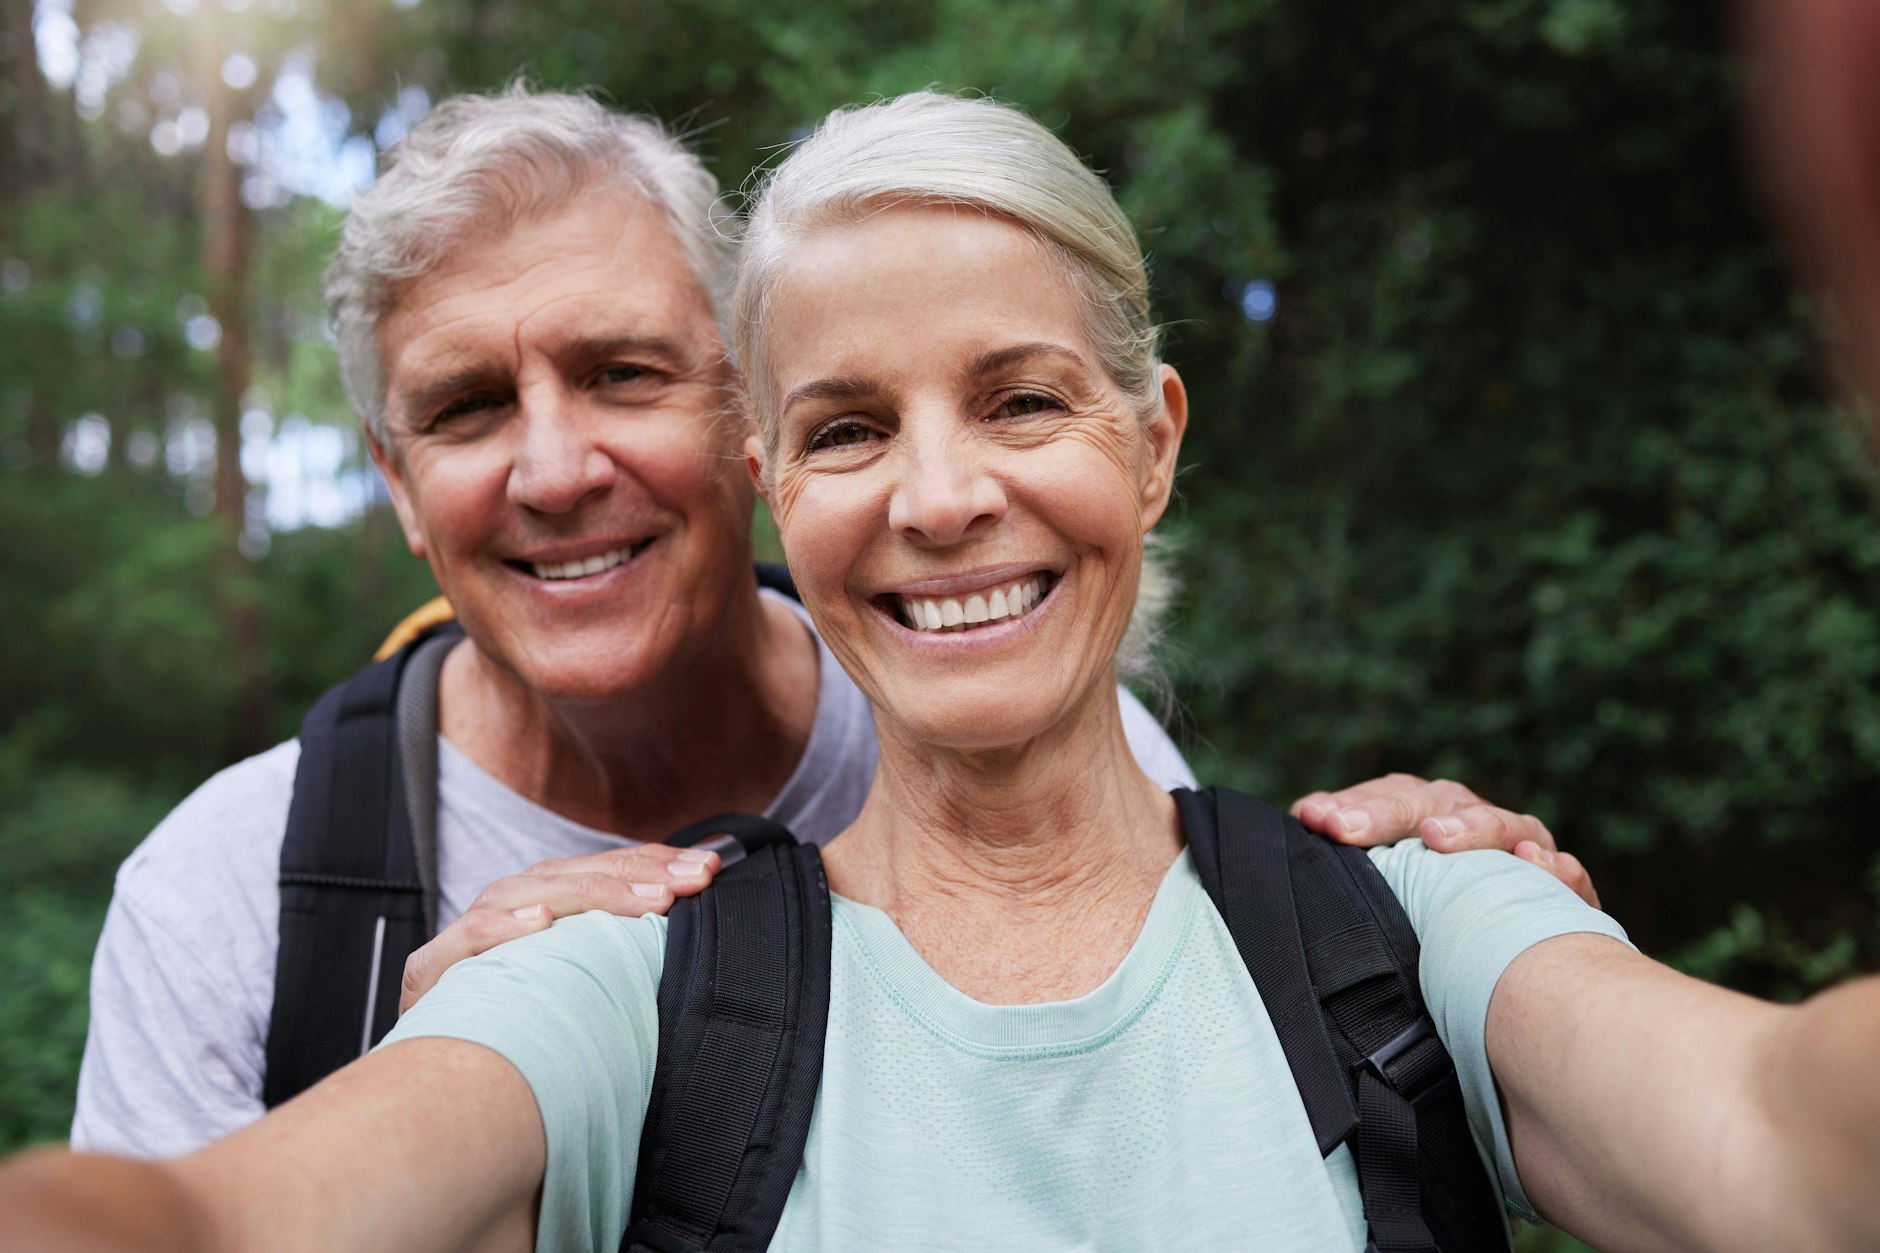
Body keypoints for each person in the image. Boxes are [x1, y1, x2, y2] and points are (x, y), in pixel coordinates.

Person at [9, 90, 1874, 1253]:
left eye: (1020, 398)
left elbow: (1789, 1140)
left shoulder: (1375, 929)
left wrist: (1420, 894)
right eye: (852, 427)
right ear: (784, 484)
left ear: (1153, 441)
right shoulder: (585, 971)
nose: (944, 498)